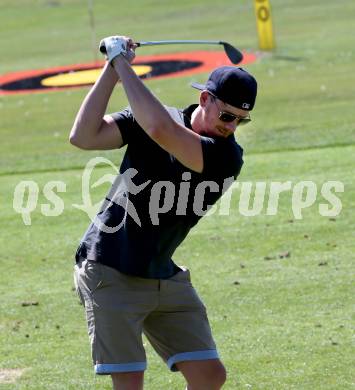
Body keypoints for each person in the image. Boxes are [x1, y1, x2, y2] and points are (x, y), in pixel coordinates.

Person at [70, 35, 257, 390]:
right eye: (227, 115)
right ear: (205, 98)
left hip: (161, 273)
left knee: (209, 374)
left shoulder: (226, 156)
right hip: (109, 267)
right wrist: (113, 68)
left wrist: (123, 62)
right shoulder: (152, 118)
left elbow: (162, 131)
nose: (231, 127)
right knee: (130, 380)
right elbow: (83, 135)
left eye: (241, 121)